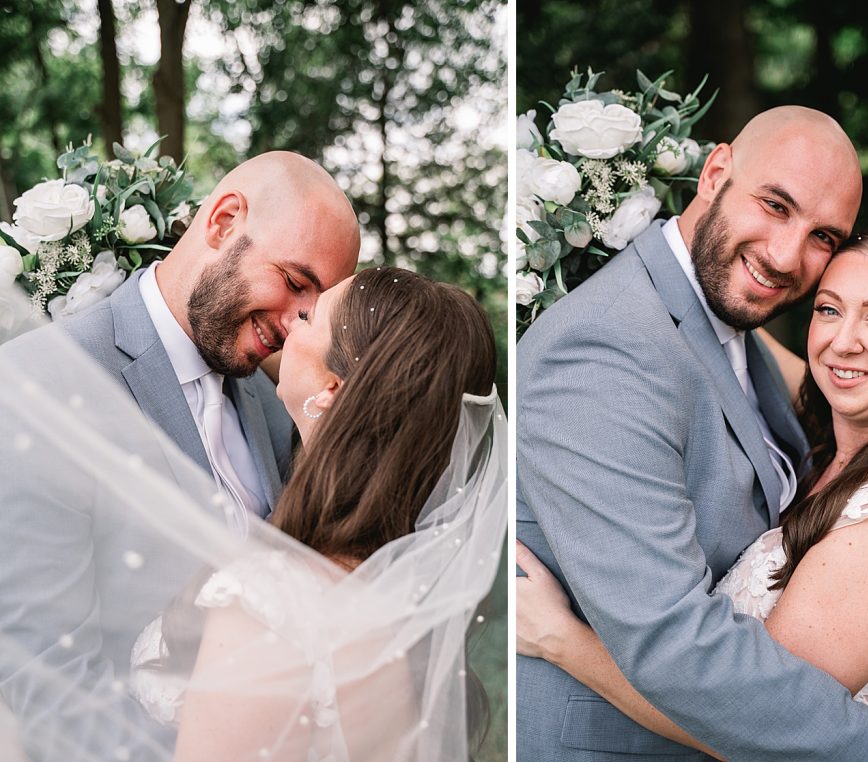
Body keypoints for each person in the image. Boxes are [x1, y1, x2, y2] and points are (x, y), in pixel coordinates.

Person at [516, 107, 868, 761]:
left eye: (823, 237)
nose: (786, 256)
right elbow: (672, 641)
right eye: (775, 205)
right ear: (715, 171)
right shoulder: (607, 346)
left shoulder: (731, 328)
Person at [0, 266, 506, 761]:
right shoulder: (405, 598)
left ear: (331, 390)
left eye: (309, 316)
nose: (290, 323)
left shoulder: (270, 604)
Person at [0, 151, 360, 760]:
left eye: (313, 307)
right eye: (295, 283)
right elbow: (45, 680)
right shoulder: (45, 383)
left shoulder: (275, 410)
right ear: (222, 223)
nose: (297, 324)